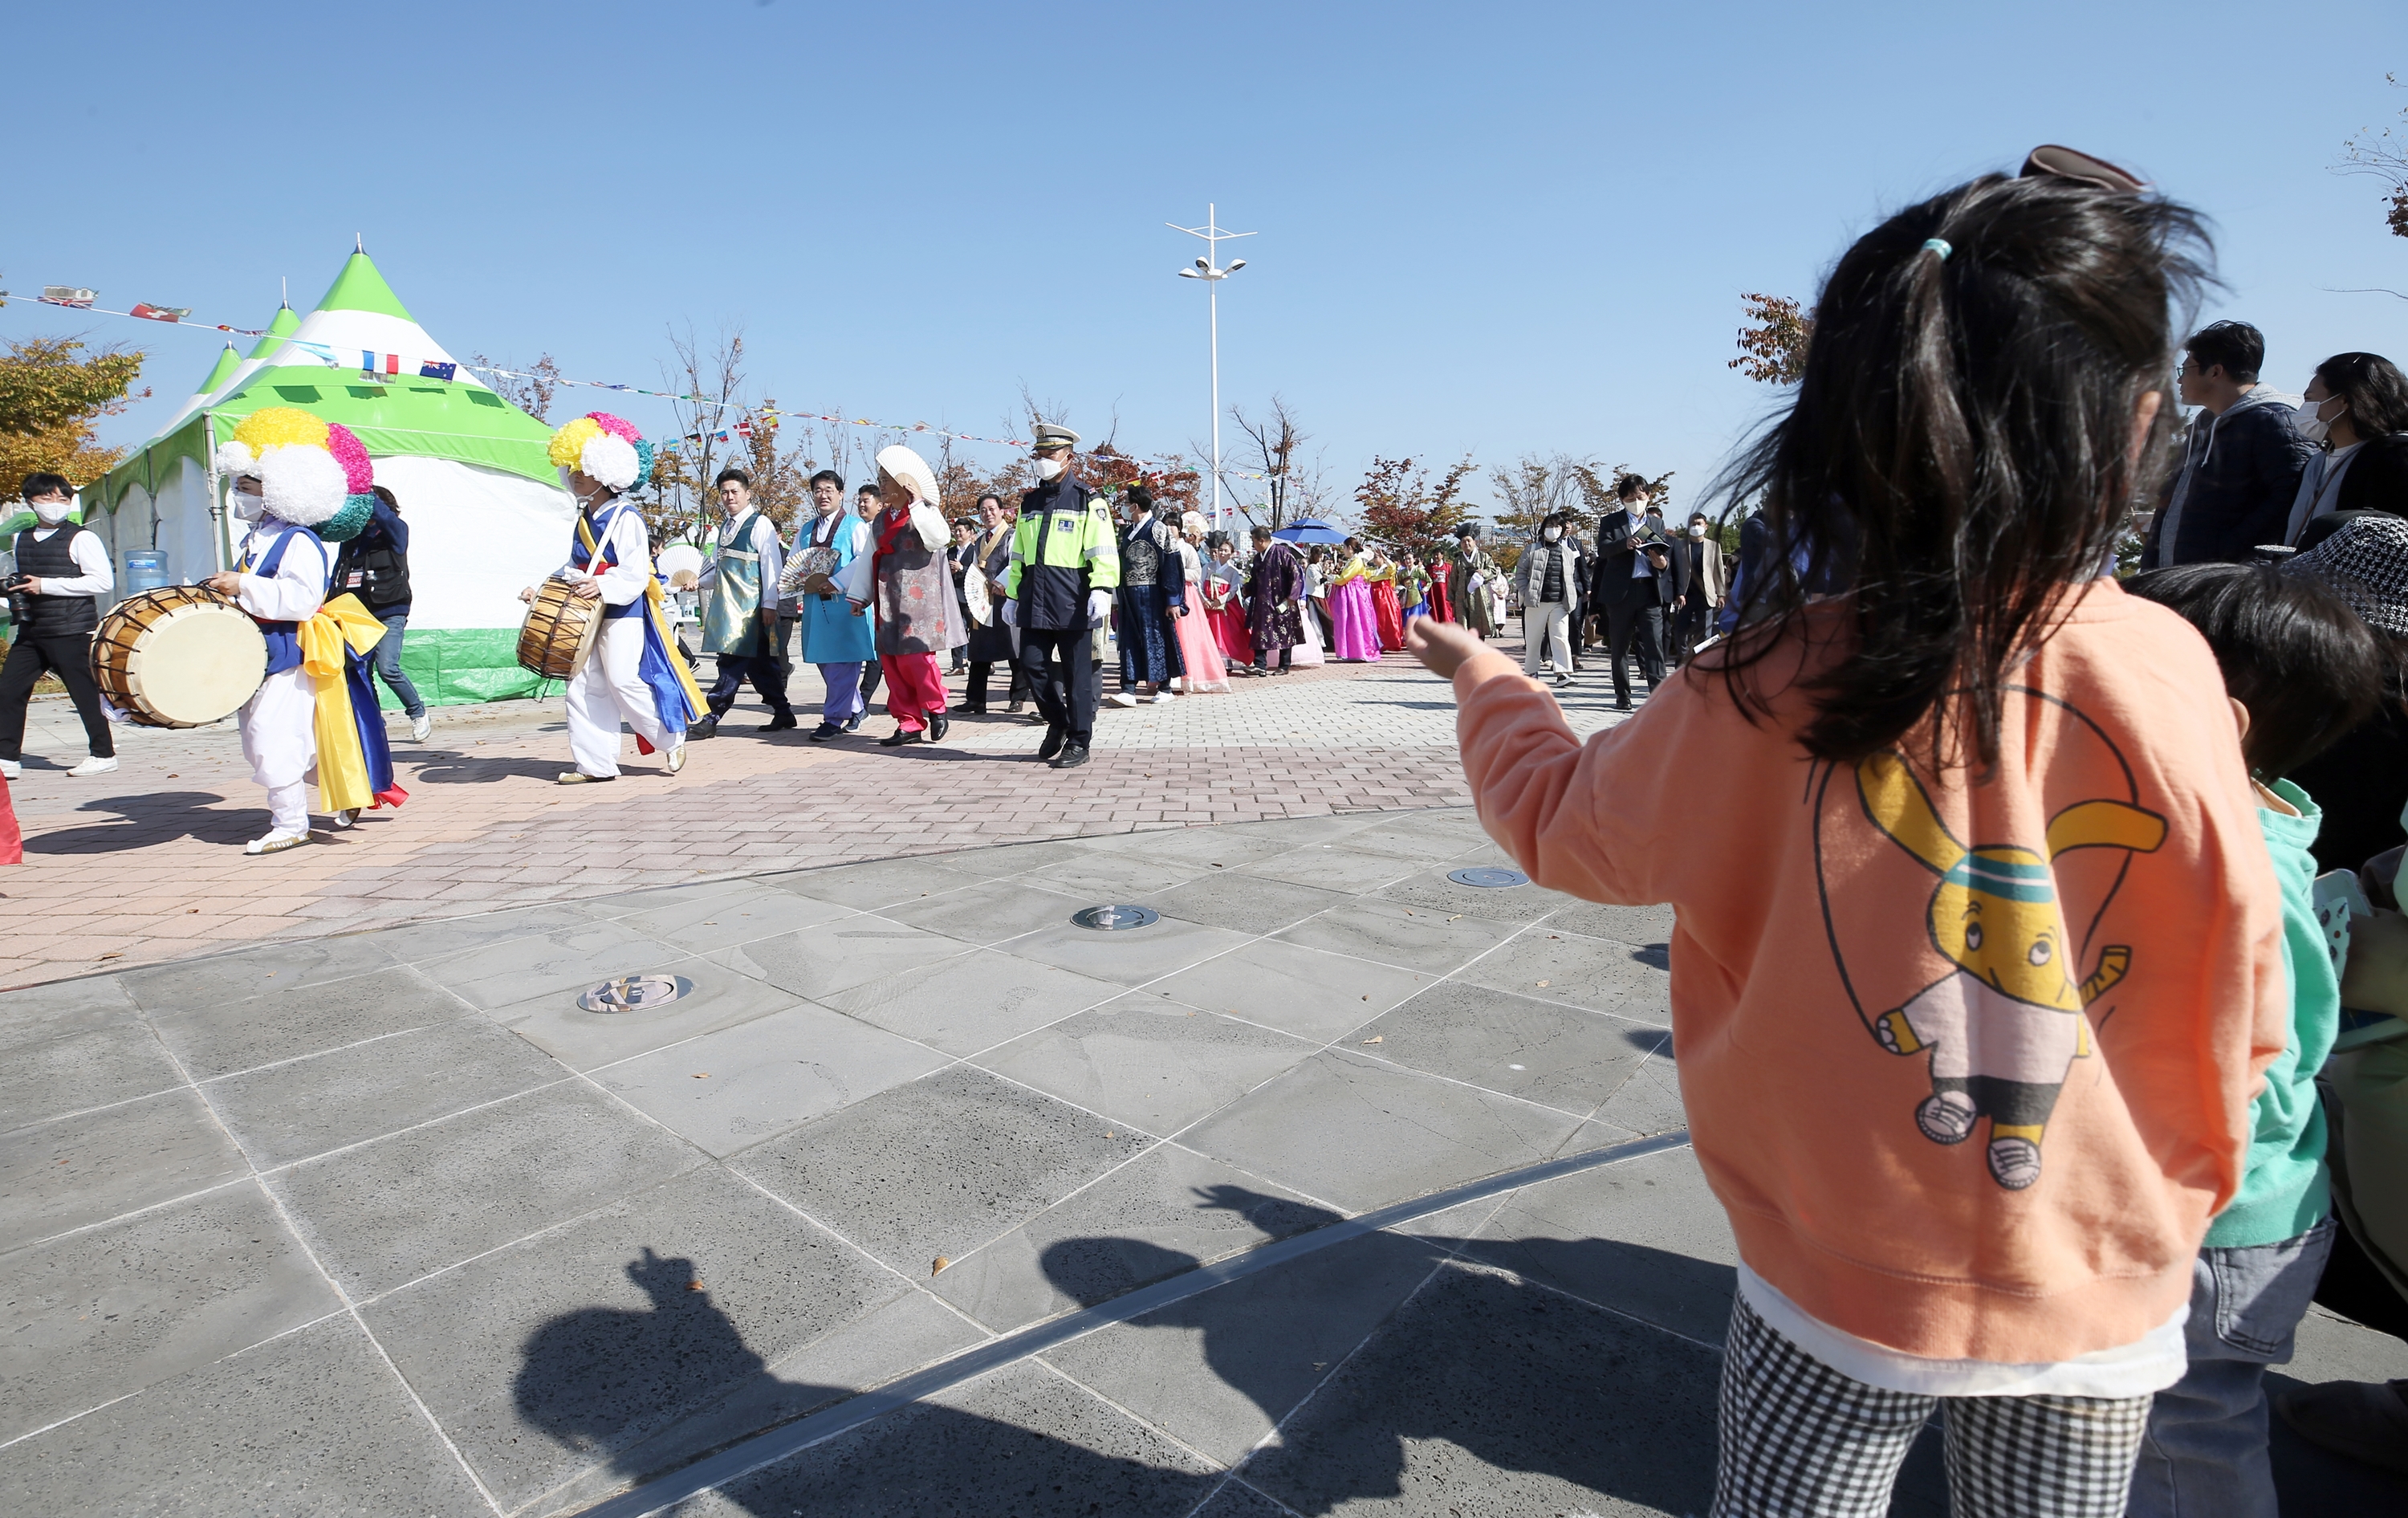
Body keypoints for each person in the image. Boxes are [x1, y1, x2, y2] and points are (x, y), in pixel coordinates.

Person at [1411, 154, 2288, 1518]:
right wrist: (2182, 1185)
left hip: (1837, 1269)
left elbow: (1569, 831)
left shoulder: (1761, 677)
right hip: (2104, 1268)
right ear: (2132, 426)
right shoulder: (2169, 668)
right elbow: (2251, 974)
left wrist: (1493, 688)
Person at [2119, 562, 2382, 1518]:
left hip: (2221, 1229)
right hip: (2231, 1214)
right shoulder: (2230, 828)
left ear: (2214, 719)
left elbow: (2252, 1085)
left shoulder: (2234, 879)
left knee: (2188, 1425)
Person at [209, 408, 408, 852]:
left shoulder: (299, 539)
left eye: (247, 486)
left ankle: (291, 824)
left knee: (271, 739)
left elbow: (300, 600)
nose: (239, 495)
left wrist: (243, 584)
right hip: (257, 652)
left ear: (279, 489)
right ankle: (348, 784)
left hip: (289, 649)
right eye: (238, 486)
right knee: (281, 737)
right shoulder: (255, 538)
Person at [523, 412, 698, 785]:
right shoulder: (585, 517)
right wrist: (543, 590)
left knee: (623, 680)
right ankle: (595, 764)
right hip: (584, 612)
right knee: (583, 685)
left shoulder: (626, 516)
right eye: (571, 470)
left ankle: (672, 738)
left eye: (581, 470)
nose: (574, 477)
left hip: (623, 611)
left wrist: (603, 586)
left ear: (604, 470)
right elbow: (574, 567)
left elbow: (635, 572)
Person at [2144, 319, 2314, 567]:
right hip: (2182, 582)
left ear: (2215, 372)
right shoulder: (2202, 429)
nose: (2179, 381)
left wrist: (2226, 552)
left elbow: (2292, 500)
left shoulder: (2273, 421)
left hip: (2228, 585)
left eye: (2185, 370)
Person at [1003, 424, 1118, 768]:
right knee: (1032, 664)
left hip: (1073, 601)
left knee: (1076, 675)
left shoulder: (1088, 500)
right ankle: (1059, 723)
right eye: (1038, 454)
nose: (1041, 460)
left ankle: (1080, 742)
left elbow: (1104, 550)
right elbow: (1019, 554)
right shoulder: (1030, 501)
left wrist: (1101, 587)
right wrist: (1012, 595)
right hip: (1034, 599)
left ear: (1069, 457)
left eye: (1048, 454)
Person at [840, 446, 960, 746]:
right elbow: (870, 557)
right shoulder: (879, 521)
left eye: (886, 478)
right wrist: (859, 597)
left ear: (903, 483)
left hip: (920, 601)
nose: (881, 483)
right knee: (891, 662)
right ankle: (908, 722)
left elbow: (940, 539)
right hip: (887, 599)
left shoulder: (926, 511)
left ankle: (936, 708)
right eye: (880, 477)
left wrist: (918, 503)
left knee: (918, 660)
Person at [0, 473, 117, 778]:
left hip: (72, 628)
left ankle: (103, 754)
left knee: (84, 694)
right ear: (30, 502)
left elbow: (102, 582)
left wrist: (45, 585)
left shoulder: (82, 538)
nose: (56, 504)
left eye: (63, 499)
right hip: (31, 630)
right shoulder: (21, 538)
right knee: (9, 691)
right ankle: (7, 758)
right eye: (47, 498)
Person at [692, 467, 794, 739]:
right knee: (761, 666)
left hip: (750, 611)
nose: (729, 497)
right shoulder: (725, 527)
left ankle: (712, 715)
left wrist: (770, 603)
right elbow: (717, 570)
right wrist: (695, 581)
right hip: (728, 610)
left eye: (734, 491)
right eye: (724, 492)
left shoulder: (760, 524)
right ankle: (783, 712)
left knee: (731, 662)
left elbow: (771, 565)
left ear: (747, 494)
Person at [330, 484, 429, 742]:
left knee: (388, 668)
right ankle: (374, 721)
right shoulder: (353, 538)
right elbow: (340, 572)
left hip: (391, 610)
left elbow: (384, 517)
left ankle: (417, 712)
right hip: (358, 615)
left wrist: (362, 490)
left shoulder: (396, 530)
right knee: (361, 670)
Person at [783, 470, 875, 741]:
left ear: (841, 494)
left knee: (843, 664)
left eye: (828, 490)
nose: (823, 495)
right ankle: (857, 708)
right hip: (816, 605)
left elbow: (865, 560)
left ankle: (833, 719)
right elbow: (794, 563)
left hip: (847, 606)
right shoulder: (805, 529)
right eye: (818, 491)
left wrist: (837, 580)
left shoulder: (856, 527)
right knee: (825, 662)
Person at [2281, 351, 2408, 543]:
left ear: (2345, 401)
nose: (2303, 409)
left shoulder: (2395, 459)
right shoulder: (2316, 463)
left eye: (2310, 399)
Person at [1592, 477, 1689, 712]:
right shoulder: (1611, 522)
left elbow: (1663, 553)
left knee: (1656, 645)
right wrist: (1625, 543)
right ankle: (1622, 695)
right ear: (1622, 500)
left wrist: (1662, 563)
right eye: (1630, 499)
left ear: (1648, 496)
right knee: (1621, 647)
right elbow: (1603, 550)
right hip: (1621, 593)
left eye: (1640, 497)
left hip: (1649, 590)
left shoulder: (1656, 523)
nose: (1636, 502)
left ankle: (1658, 696)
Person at [1109, 484, 1186, 706]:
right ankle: (1128, 688)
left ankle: (1165, 686)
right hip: (1129, 594)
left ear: (1134, 505)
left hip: (1153, 594)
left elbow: (1172, 564)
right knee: (1128, 640)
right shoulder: (1127, 531)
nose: (1124, 507)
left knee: (1156, 638)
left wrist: (1173, 599)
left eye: (1126, 503)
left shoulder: (1158, 529)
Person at [961, 493, 1027, 714]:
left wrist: (1001, 583)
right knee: (979, 649)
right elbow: (974, 569)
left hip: (1005, 598)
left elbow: (1015, 563)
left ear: (1001, 511)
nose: (987, 513)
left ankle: (1017, 698)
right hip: (983, 601)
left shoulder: (1012, 535)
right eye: (983, 510)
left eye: (991, 509)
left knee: (1013, 648)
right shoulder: (979, 540)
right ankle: (976, 700)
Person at [1513, 511, 1581, 687]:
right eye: (1550, 526)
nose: (1553, 530)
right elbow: (1520, 573)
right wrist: (1526, 591)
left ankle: (1563, 673)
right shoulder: (1532, 549)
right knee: (1534, 638)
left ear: (1563, 529)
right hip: (1536, 602)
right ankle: (1531, 671)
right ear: (1543, 529)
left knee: (1560, 636)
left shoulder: (1567, 552)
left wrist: (1571, 598)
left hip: (1560, 603)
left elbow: (1570, 577)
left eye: (1557, 526)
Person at [1245, 524, 1305, 675]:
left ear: (1262, 540)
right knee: (1260, 632)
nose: (1253, 545)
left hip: (1282, 601)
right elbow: (1254, 579)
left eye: (1254, 541)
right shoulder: (1258, 558)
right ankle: (1260, 665)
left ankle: (1284, 665)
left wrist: (1291, 598)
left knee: (1285, 630)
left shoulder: (1282, 553)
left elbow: (1296, 574)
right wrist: (1245, 590)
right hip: (1262, 603)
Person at [1672, 511, 1728, 660]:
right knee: (1680, 632)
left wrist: (1721, 594)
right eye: (1693, 524)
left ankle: (1700, 661)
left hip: (1706, 596)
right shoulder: (1679, 545)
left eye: (1699, 524)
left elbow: (1718, 571)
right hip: (1685, 596)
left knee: (1705, 633)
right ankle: (1683, 659)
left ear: (1706, 526)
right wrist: (1676, 593)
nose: (1696, 526)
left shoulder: (1714, 546)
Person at [852, 484, 885, 706]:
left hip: (880, 600)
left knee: (878, 654)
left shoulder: (882, 530)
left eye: (867, 501)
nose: (862, 505)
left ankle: (863, 699)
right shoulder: (857, 529)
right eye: (860, 501)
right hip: (862, 599)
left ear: (880, 505)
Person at [1327, 538, 1383, 661]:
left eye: (1345, 547)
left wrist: (1331, 577)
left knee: (1357, 621)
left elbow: (1344, 578)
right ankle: (1352, 651)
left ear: (1350, 548)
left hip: (1354, 595)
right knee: (1350, 622)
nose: (1344, 550)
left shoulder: (1356, 561)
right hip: (1350, 594)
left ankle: (1360, 651)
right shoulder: (1353, 560)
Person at [1203, 533, 1251, 664]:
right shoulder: (1208, 567)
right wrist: (1205, 600)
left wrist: (1221, 600)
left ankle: (1226, 661)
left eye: (1226, 551)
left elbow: (1233, 589)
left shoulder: (1233, 571)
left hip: (1227, 606)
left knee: (1227, 633)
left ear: (1231, 553)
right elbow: (1200, 585)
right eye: (1221, 550)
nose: (1222, 553)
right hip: (1209, 605)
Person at [1445, 523, 1499, 640]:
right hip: (1462, 596)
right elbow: (1453, 579)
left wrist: (1483, 573)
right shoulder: (1458, 561)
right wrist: (1451, 598)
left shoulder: (1484, 557)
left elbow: (1493, 571)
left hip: (1480, 595)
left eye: (1469, 541)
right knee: (1463, 624)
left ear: (1474, 542)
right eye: (1464, 542)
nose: (1467, 544)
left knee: (1479, 623)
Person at [946, 518, 975, 674]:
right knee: (955, 630)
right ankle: (958, 665)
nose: (957, 533)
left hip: (969, 595)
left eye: (960, 530)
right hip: (953, 594)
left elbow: (978, 572)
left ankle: (981, 660)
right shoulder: (950, 551)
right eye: (955, 530)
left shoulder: (974, 551)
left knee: (975, 629)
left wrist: (961, 568)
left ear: (969, 533)